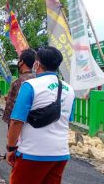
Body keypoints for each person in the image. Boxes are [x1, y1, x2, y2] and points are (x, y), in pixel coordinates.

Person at [6, 46, 75, 184]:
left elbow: (16, 122)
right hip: (60, 154)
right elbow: (67, 119)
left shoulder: (30, 86)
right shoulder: (69, 89)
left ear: (37, 64)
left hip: (33, 153)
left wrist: (11, 148)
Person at [2, 49, 36, 124]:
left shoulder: (19, 82)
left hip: (17, 125)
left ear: (22, 62)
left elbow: (17, 107)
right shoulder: (37, 79)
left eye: (19, 60)